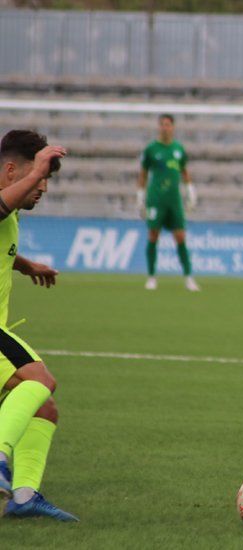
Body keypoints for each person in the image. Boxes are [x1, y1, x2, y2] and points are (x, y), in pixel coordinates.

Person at [0, 130, 77, 521]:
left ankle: (24, 496)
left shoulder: (10, 215)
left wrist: (25, 264)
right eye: (37, 175)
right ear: (10, 170)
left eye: (46, 178)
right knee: (40, 378)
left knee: (44, 409)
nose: (42, 186)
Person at [137, 114, 199, 291]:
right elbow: (142, 174)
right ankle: (151, 277)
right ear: (159, 127)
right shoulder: (151, 149)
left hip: (174, 200)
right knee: (153, 235)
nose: (165, 128)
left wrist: (190, 192)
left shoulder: (178, 149)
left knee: (180, 237)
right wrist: (140, 196)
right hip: (156, 199)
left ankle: (188, 277)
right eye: (162, 125)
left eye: (168, 125)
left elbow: (185, 172)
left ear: (173, 127)